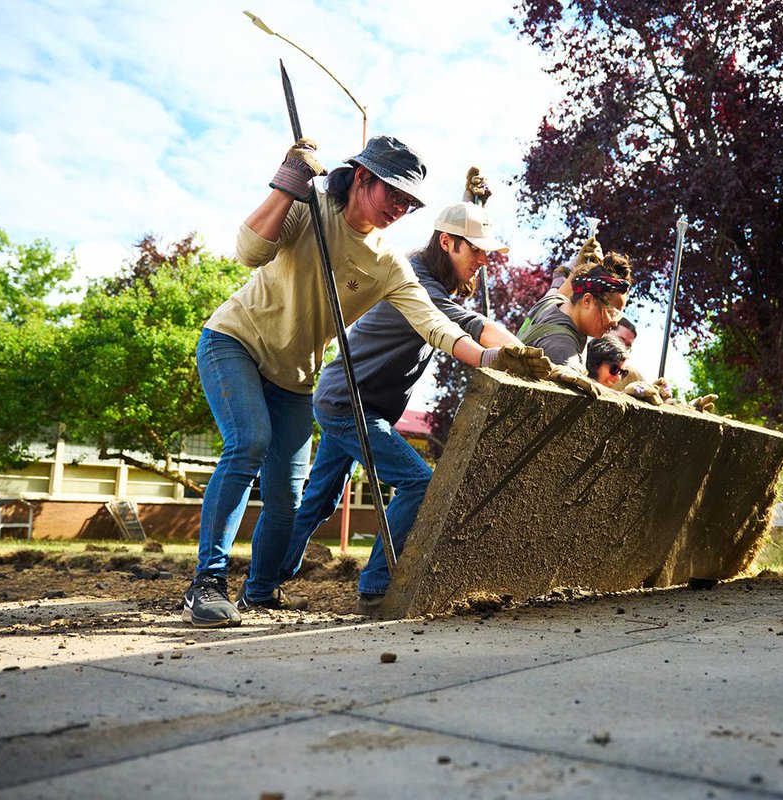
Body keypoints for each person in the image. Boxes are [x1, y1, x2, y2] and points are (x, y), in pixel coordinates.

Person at [182, 136, 548, 628]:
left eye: (408, 202)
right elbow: (249, 252)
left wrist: (488, 357)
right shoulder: (310, 208)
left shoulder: (388, 263)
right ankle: (206, 584)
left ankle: (261, 593)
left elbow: (435, 325)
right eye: (392, 193)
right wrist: (287, 183)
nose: (399, 207)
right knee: (250, 442)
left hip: (295, 377)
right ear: (361, 177)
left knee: (290, 498)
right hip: (235, 342)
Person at [517, 251, 633, 372]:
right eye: (612, 312)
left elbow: (559, 289)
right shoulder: (563, 350)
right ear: (587, 300)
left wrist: (583, 265)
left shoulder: (550, 304)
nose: (615, 323)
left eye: (618, 315)